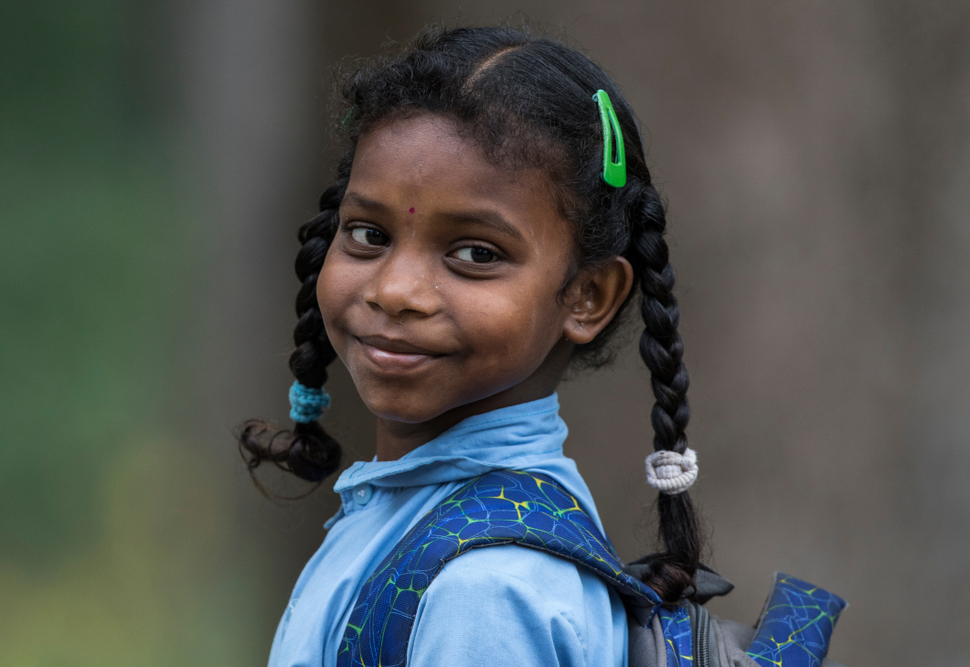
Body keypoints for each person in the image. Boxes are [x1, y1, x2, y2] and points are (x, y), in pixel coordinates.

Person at [238, 26, 844, 667]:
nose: (396, 290)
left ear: (587, 295)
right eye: (367, 233)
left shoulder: (487, 594)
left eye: (475, 252)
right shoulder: (408, 518)